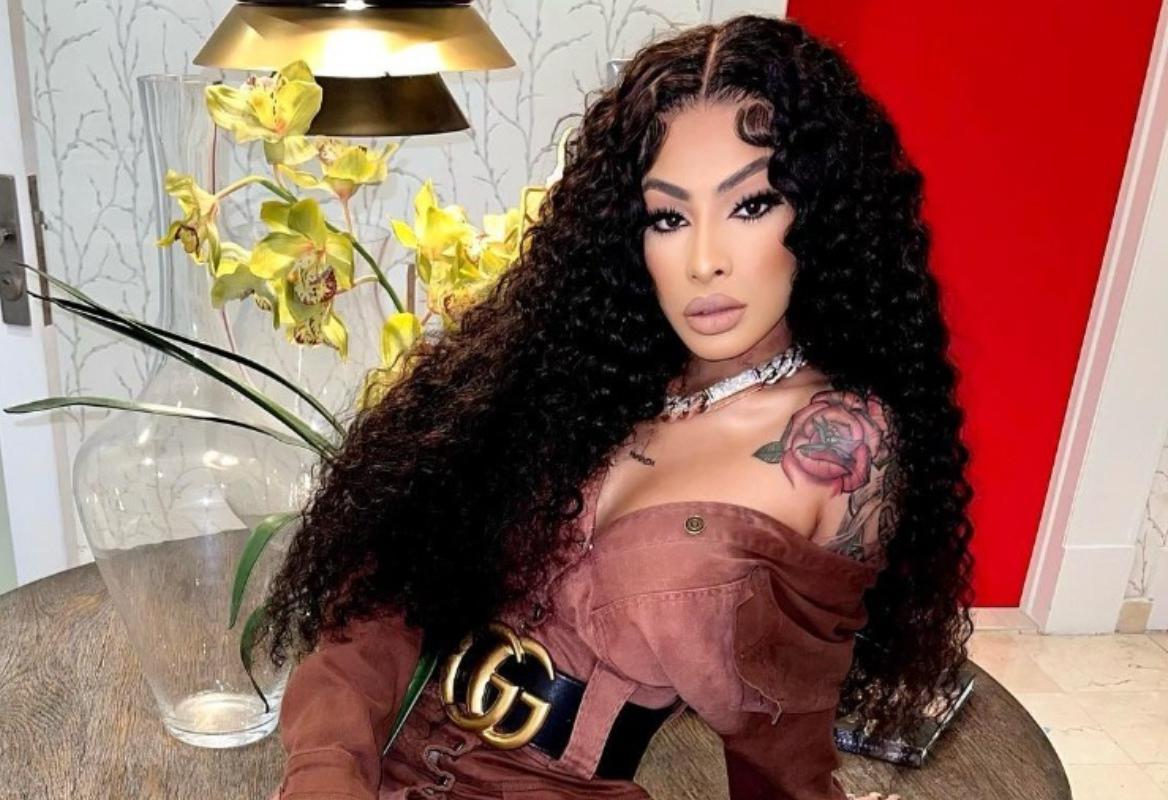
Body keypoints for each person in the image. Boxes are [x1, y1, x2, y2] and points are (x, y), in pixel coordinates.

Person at [259, 13, 973, 800]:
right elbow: (382, 602)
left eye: (750, 206)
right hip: (371, 761)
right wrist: (326, 769)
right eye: (669, 217)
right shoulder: (577, 368)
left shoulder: (837, 446)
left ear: (821, 213)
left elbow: (782, 746)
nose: (704, 261)